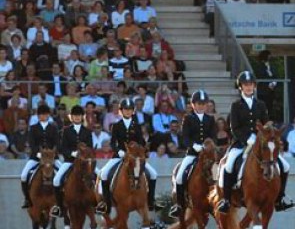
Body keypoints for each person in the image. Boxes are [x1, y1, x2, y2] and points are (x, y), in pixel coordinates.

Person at [217, 71, 294, 214]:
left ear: (254, 86)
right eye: (245, 85)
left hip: (261, 144)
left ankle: (280, 198)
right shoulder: (236, 105)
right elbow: (234, 127)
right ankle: (226, 200)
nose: (248, 87)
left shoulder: (261, 104)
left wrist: (269, 133)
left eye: (250, 84)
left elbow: (266, 123)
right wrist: (247, 138)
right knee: (228, 165)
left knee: (285, 165)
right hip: (241, 143)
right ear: (241, 87)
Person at [96, 98, 163, 214]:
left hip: (134, 157)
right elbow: (112, 143)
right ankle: (105, 203)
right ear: (121, 111)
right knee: (104, 173)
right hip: (119, 156)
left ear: (133, 111)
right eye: (125, 109)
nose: (128, 111)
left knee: (153, 174)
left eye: (130, 109)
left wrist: (143, 148)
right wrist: (119, 151)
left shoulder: (136, 126)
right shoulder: (116, 126)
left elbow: (141, 141)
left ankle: (151, 202)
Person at [169, 90, 216, 218]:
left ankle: (221, 200)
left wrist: (208, 146)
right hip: (192, 154)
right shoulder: (188, 118)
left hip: (207, 155)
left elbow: (213, 137)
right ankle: (179, 205)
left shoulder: (210, 119)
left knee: (218, 173)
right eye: (198, 103)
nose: (201, 106)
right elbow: (185, 137)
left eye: (203, 104)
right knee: (179, 177)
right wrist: (194, 145)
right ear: (193, 104)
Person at [50, 105, 93, 218]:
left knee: (100, 175)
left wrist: (84, 154)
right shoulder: (67, 131)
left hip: (85, 162)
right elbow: (62, 148)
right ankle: (59, 207)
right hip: (70, 161)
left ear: (82, 117)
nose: (77, 117)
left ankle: (100, 203)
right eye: (75, 116)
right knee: (56, 180)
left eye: (79, 116)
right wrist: (72, 153)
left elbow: (91, 147)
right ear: (71, 117)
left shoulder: (87, 131)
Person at [20, 105, 61, 209]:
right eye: (40, 114)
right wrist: (38, 153)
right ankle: (27, 198)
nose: (42, 116)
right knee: (24, 175)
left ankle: (62, 198)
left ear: (48, 115)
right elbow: (32, 143)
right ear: (38, 116)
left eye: (44, 114)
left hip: (51, 158)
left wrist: (53, 154)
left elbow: (57, 142)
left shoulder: (53, 128)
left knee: (63, 173)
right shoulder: (33, 128)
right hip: (36, 157)